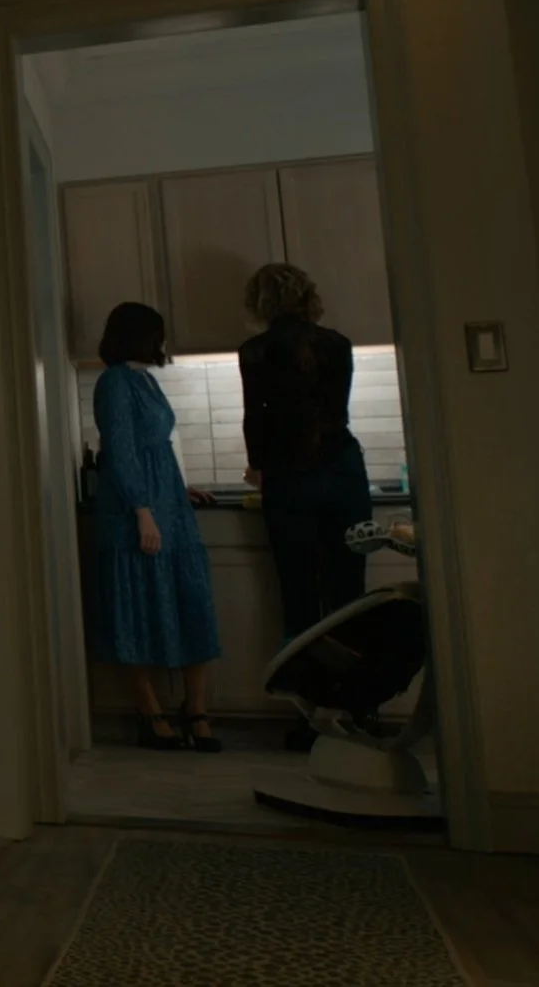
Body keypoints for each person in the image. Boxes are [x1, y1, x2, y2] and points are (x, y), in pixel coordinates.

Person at [239, 263, 372, 749]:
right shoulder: (338, 344)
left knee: (300, 599)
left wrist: (258, 465)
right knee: (350, 600)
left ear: (261, 302)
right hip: (342, 470)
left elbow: (257, 416)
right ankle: (358, 712)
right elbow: (333, 409)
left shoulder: (255, 351)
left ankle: (312, 720)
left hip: (290, 476)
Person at [87, 301, 224, 752]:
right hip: (135, 508)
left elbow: (153, 448)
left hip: (169, 502)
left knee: (191, 600)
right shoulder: (114, 382)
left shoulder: (145, 379)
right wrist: (141, 509)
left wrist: (176, 488)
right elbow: (120, 450)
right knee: (136, 608)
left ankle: (195, 709)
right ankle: (151, 714)